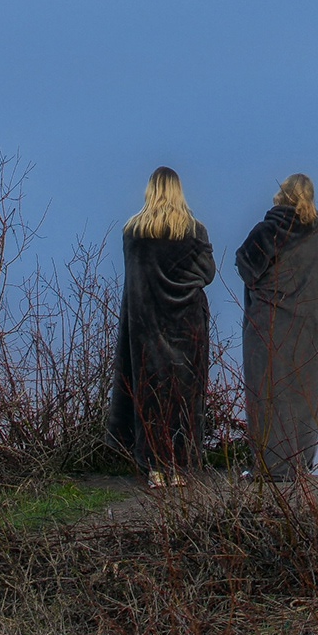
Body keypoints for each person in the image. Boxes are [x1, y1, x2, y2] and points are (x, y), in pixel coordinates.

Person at [110, 165, 215, 486]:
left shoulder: (133, 232)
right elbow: (207, 274)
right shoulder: (195, 231)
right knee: (185, 396)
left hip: (147, 327)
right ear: (178, 191)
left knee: (151, 395)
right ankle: (181, 469)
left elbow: (134, 284)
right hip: (187, 326)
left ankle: (155, 468)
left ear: (150, 190)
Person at [236, 172, 318, 483]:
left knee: (268, 394)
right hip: (315, 329)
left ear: (281, 196)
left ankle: (270, 469)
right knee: (306, 396)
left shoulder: (270, 230)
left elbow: (246, 266)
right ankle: (299, 465)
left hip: (271, 327)